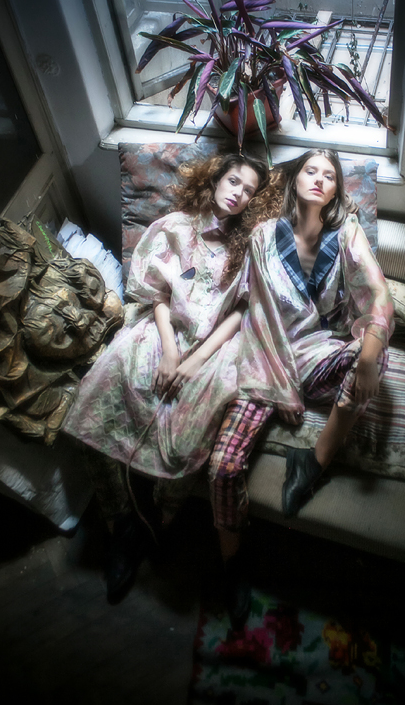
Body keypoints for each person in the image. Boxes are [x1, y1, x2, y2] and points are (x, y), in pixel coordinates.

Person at [62, 152, 268, 602]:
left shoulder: (251, 246)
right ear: (215, 179)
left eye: (249, 190)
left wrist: (195, 360)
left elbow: (240, 311)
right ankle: (121, 525)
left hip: (215, 344)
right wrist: (171, 351)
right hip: (162, 329)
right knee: (104, 382)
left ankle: (158, 521)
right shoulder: (174, 227)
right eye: (234, 181)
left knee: (192, 421)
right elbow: (155, 294)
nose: (239, 193)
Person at [208, 149, 394, 627]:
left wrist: (367, 355)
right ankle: (233, 563)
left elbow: (378, 295)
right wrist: (279, 388)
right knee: (224, 468)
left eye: (329, 176)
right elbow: (254, 315)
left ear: (335, 191)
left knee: (374, 355)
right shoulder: (264, 237)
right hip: (264, 357)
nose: (318, 179)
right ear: (294, 181)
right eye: (310, 170)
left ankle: (312, 462)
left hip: (316, 352)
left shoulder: (346, 234)